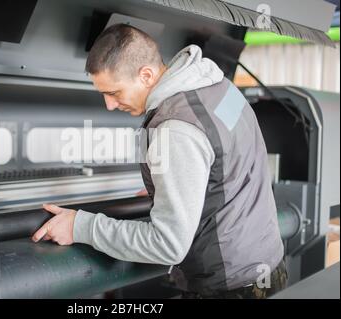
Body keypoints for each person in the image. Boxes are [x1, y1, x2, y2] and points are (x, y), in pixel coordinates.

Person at [32, 23, 287, 299]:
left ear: (146, 75)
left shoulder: (175, 127)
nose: (109, 105)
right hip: (266, 269)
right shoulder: (218, 87)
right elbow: (229, 165)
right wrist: (176, 188)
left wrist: (80, 227)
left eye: (114, 93)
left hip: (230, 288)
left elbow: (168, 245)